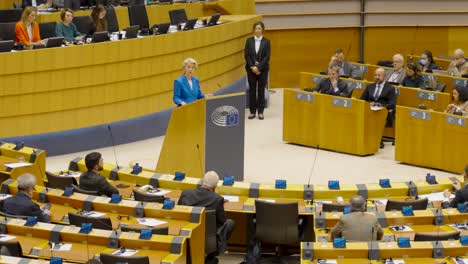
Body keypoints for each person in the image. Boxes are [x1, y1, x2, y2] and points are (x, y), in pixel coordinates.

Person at [178, 171, 235, 263]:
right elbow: (223, 221)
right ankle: (211, 255)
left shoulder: (186, 194)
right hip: (207, 238)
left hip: (187, 234)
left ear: (202, 182)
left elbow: (179, 213)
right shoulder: (218, 199)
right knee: (230, 223)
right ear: (215, 187)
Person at [245, 21, 270, 120]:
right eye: (256, 28)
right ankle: (252, 111)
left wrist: (258, 68)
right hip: (251, 69)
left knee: (261, 90)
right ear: (253, 30)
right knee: (252, 90)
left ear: (262, 29)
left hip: (262, 70)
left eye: (259, 28)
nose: (257, 30)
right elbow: (247, 55)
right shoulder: (248, 41)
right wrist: (253, 67)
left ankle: (260, 111)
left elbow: (267, 57)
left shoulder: (267, 42)